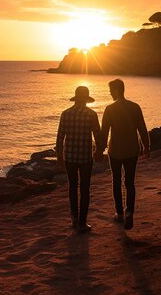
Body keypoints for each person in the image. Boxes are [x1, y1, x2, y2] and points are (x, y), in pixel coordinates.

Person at [100, 79, 150, 230]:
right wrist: (146, 147)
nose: (109, 93)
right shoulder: (135, 107)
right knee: (130, 183)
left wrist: (99, 149)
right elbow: (142, 128)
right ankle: (130, 212)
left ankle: (119, 213)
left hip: (115, 151)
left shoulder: (109, 109)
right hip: (132, 150)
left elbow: (104, 132)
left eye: (110, 90)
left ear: (115, 90)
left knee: (116, 181)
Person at [56, 86, 101, 233]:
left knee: (72, 187)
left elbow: (60, 137)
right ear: (86, 99)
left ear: (76, 98)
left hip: (69, 157)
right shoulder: (91, 114)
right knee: (85, 188)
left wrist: (59, 157)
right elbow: (98, 136)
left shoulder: (65, 114)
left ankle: (74, 218)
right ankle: (82, 222)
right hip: (85, 158)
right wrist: (99, 151)